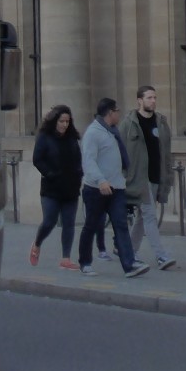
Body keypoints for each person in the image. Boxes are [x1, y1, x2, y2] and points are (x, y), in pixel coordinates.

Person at [77, 97, 149, 278]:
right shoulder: (93, 133)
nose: (119, 114)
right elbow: (88, 161)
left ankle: (129, 265)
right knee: (91, 226)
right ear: (110, 112)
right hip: (96, 189)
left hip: (116, 188)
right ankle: (85, 262)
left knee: (121, 225)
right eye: (117, 111)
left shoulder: (112, 132)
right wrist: (101, 180)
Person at [119, 85, 176, 270]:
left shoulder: (161, 122)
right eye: (149, 97)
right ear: (139, 101)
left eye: (154, 97)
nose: (153, 101)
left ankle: (129, 251)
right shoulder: (129, 124)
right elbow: (119, 152)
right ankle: (161, 256)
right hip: (138, 178)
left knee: (143, 218)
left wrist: (167, 176)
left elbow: (166, 152)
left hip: (154, 176)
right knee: (150, 215)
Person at [29, 105, 82, 270]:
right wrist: (49, 173)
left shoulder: (72, 138)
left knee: (69, 223)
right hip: (51, 188)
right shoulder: (45, 137)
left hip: (71, 187)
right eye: (61, 121)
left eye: (67, 121)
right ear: (54, 121)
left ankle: (66, 258)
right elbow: (37, 159)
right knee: (49, 221)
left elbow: (78, 159)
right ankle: (37, 243)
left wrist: (79, 175)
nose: (64, 125)